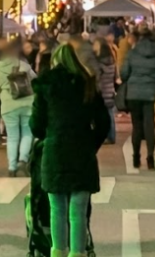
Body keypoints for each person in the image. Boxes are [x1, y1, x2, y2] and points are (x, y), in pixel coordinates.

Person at [30, 44, 110, 257]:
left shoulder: (47, 86)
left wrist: (49, 134)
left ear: (55, 61)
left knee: (57, 209)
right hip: (82, 151)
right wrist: (91, 144)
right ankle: (79, 252)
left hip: (55, 150)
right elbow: (103, 122)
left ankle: (58, 252)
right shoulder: (87, 84)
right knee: (79, 211)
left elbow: (36, 125)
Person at [121, 24, 155, 169]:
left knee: (137, 126)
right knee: (149, 127)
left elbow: (124, 73)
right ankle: (150, 157)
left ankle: (136, 157)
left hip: (134, 93)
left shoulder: (133, 53)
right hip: (152, 93)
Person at [0, 41, 36, 177]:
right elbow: (35, 80)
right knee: (27, 134)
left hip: (8, 105)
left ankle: (12, 167)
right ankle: (23, 160)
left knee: (12, 136)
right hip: (27, 103)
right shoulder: (24, 65)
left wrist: (4, 97)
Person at [92, 37, 117, 144]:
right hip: (110, 90)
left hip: (101, 91)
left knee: (101, 115)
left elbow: (96, 78)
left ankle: (105, 135)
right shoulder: (111, 61)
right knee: (110, 114)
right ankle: (112, 135)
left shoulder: (98, 64)